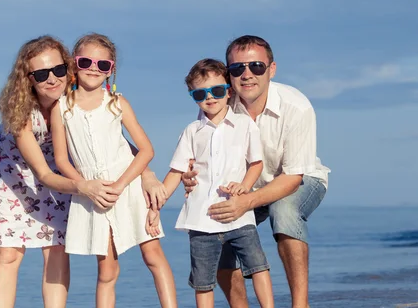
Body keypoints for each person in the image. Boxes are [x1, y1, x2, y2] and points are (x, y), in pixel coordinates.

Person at [0, 35, 165, 308]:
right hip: (19, 177)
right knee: (9, 254)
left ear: (68, 68)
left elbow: (114, 140)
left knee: (56, 249)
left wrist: (148, 174)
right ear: (28, 78)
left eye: (59, 70)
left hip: (68, 175)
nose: (52, 79)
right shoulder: (20, 112)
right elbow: (44, 175)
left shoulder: (76, 93)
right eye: (41, 73)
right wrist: (84, 187)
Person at [182, 36, 329, 308]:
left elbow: (293, 177)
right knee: (215, 220)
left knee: (283, 211)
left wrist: (246, 202)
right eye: (238, 69)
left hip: (298, 180)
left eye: (256, 66)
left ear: (271, 69)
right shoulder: (219, 99)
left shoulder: (296, 106)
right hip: (242, 186)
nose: (247, 74)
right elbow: (202, 153)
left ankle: (300, 305)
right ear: (229, 74)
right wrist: (189, 176)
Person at [50, 33, 177, 308]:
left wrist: (120, 185)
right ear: (74, 64)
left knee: (153, 255)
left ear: (111, 70)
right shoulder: (61, 109)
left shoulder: (117, 103)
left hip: (128, 188)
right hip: (93, 196)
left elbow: (146, 150)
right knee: (107, 271)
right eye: (86, 61)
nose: (94, 68)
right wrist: (87, 187)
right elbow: (61, 160)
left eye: (103, 65)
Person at [147, 59, 274, 308]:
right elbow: (176, 171)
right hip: (201, 220)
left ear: (228, 91)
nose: (210, 98)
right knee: (203, 281)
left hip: (239, 217)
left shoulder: (244, 124)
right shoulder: (192, 131)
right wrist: (156, 206)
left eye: (216, 91)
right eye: (200, 93)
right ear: (193, 97)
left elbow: (256, 163)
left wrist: (245, 186)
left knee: (258, 267)